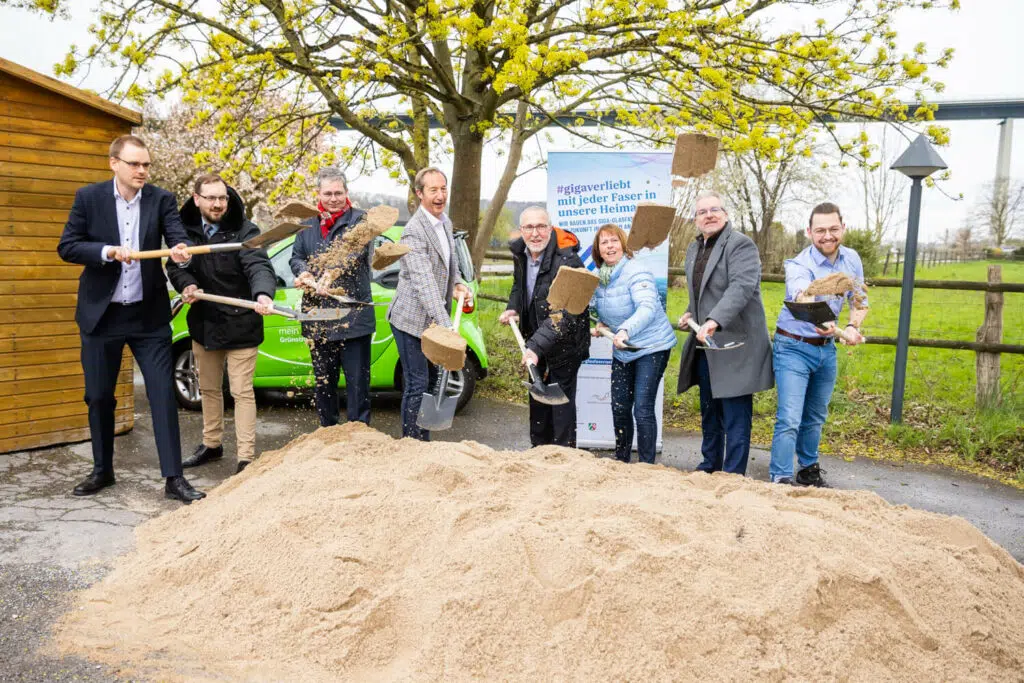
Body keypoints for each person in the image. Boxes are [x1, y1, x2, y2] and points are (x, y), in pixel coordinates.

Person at [56, 134, 205, 503]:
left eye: (146, 165)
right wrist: (106, 251)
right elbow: (68, 246)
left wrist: (182, 254)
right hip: (101, 317)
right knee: (99, 397)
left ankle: (174, 478)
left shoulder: (161, 199)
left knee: (161, 396)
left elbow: (176, 242)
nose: (142, 171)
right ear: (114, 164)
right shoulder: (88, 198)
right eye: (134, 164)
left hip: (147, 317)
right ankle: (102, 470)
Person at [166, 174, 277, 474]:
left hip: (242, 322)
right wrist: (186, 283)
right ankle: (212, 444)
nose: (218, 204)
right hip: (205, 323)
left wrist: (264, 294)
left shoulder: (244, 229)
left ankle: (246, 458)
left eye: (222, 198)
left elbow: (258, 265)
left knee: (242, 392)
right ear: (197, 198)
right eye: (211, 198)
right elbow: (174, 266)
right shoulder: (184, 231)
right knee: (209, 388)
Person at [769, 202, 868, 487]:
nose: (828, 236)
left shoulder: (851, 260)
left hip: (826, 350)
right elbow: (804, 298)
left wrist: (852, 326)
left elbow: (860, 300)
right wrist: (836, 328)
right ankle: (781, 476)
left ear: (843, 228)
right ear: (810, 232)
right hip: (793, 347)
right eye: (821, 230)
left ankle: (808, 469)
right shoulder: (799, 264)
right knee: (789, 417)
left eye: (833, 229)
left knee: (815, 416)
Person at [677, 191, 773, 476]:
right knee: (710, 411)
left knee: (735, 416)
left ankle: (732, 474)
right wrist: (691, 313)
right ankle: (709, 465)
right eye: (702, 212)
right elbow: (703, 290)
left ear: (726, 214)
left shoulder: (741, 245)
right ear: (695, 220)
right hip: (708, 344)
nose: (709, 215)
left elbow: (740, 288)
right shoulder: (696, 248)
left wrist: (714, 319)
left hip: (735, 344)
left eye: (714, 209)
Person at [386, 167, 474, 440]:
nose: (440, 195)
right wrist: (447, 326)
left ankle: (422, 438)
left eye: (443, 189)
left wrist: (458, 281)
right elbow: (424, 283)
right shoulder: (413, 232)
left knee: (432, 382)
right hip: (410, 320)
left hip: (433, 320)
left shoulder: (444, 222)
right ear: (419, 194)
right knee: (417, 382)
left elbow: (451, 262)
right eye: (433, 190)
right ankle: (413, 444)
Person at [290, 168, 375, 428]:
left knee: (357, 385)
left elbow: (354, 253)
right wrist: (303, 273)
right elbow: (296, 256)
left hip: (353, 319)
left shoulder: (361, 221)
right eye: (328, 193)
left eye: (339, 192)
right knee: (324, 384)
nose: (334, 198)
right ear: (318, 194)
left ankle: (359, 435)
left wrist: (330, 275)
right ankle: (327, 434)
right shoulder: (307, 224)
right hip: (319, 318)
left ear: (347, 193)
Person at [498, 207, 590, 447]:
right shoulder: (521, 254)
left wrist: (535, 348)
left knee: (561, 409)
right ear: (522, 231)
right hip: (535, 342)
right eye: (529, 227)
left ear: (550, 228)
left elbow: (566, 313)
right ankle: (538, 455)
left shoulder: (568, 260)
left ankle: (563, 459)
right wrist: (513, 308)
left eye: (541, 227)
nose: (535, 233)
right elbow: (520, 286)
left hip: (565, 346)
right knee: (538, 404)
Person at [590, 224, 677, 464]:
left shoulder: (637, 271)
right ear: (598, 249)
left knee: (642, 407)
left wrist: (626, 329)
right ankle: (621, 460)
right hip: (624, 349)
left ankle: (647, 466)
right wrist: (602, 324)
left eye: (614, 241)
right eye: (604, 242)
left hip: (652, 346)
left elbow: (647, 307)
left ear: (623, 244)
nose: (609, 246)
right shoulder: (599, 278)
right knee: (619, 406)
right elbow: (602, 310)